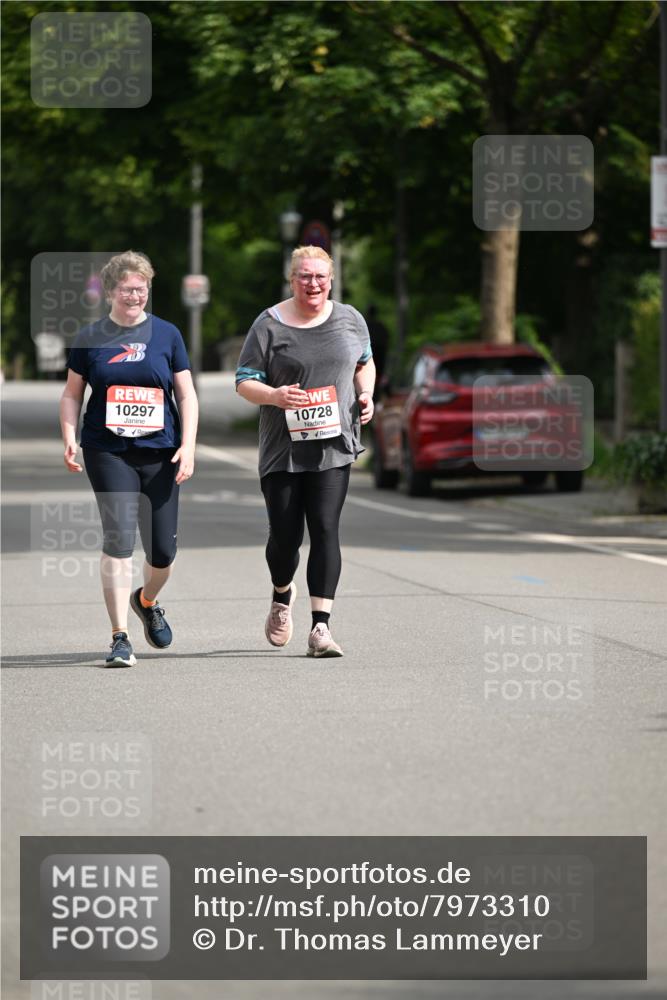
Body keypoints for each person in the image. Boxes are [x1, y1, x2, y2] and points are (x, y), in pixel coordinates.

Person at [59, 250, 198, 667]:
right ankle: (119, 636)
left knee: (162, 555)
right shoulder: (90, 338)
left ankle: (147, 599)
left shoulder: (167, 335)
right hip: (108, 450)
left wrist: (188, 445)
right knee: (118, 541)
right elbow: (71, 395)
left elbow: (186, 394)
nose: (135, 295)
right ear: (110, 291)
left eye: (142, 288)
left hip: (161, 452)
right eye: (127, 289)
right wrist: (69, 438)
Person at [236, 245, 375, 658]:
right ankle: (282, 594)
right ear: (291, 279)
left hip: (334, 444)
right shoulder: (269, 324)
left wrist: (366, 394)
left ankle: (320, 628)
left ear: (330, 280)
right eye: (304, 276)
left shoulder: (351, 320)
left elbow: (364, 362)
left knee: (325, 527)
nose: (312, 283)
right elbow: (244, 381)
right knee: (285, 536)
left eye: (319, 276)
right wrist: (275, 396)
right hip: (283, 449)